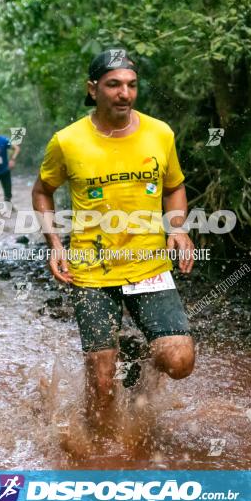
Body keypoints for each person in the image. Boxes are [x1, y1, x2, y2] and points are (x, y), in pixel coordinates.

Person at [31, 49, 196, 434]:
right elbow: (42, 191)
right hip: (91, 270)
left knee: (180, 360)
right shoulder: (67, 141)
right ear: (93, 89)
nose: (125, 94)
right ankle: (103, 455)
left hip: (149, 265)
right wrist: (55, 245)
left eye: (132, 85)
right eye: (114, 85)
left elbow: (174, 187)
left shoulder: (160, 133)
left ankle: (143, 367)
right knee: (102, 384)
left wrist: (179, 228)